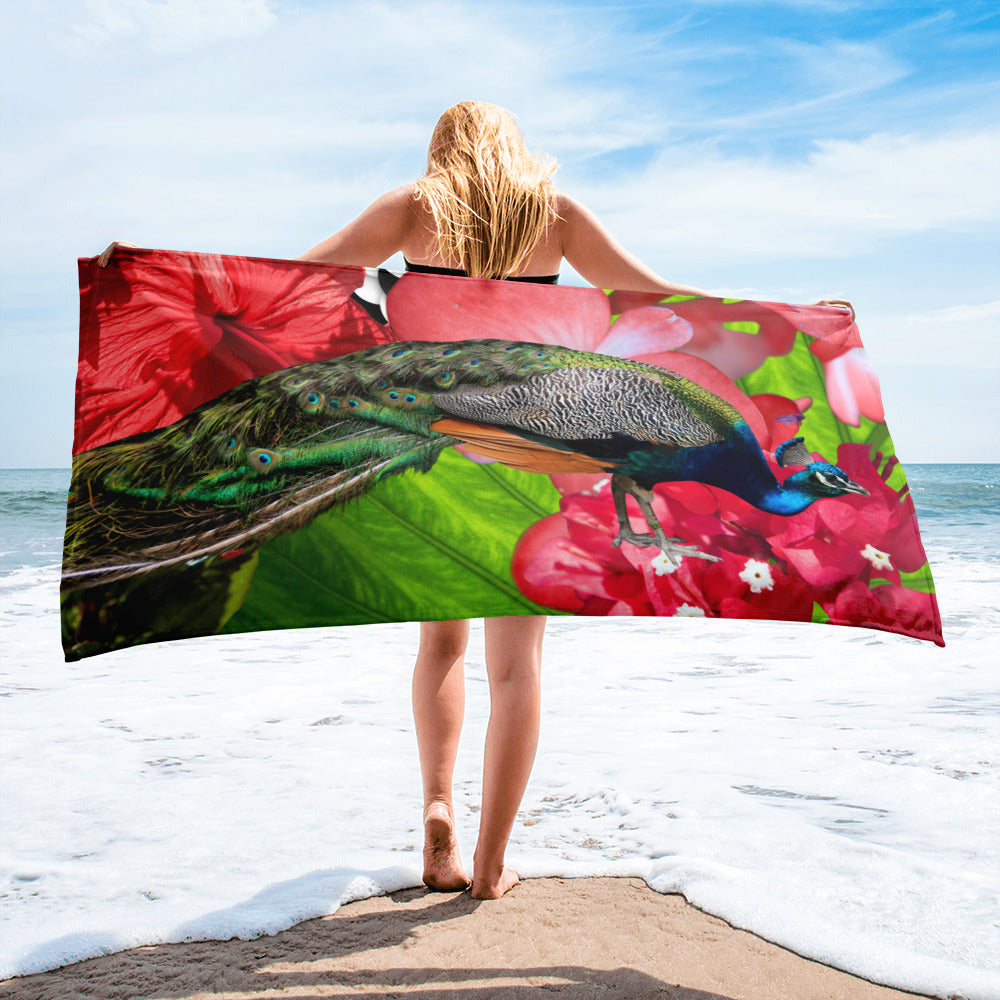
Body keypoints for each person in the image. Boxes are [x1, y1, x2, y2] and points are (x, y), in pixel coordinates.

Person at [99, 100, 852, 901]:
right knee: (518, 671)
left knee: (441, 650)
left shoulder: (412, 207)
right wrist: (800, 315)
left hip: (443, 441)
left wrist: (143, 274)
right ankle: (491, 867)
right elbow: (661, 294)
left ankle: (436, 811)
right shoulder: (555, 214)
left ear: (442, 149)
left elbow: (292, 282)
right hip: (539, 443)